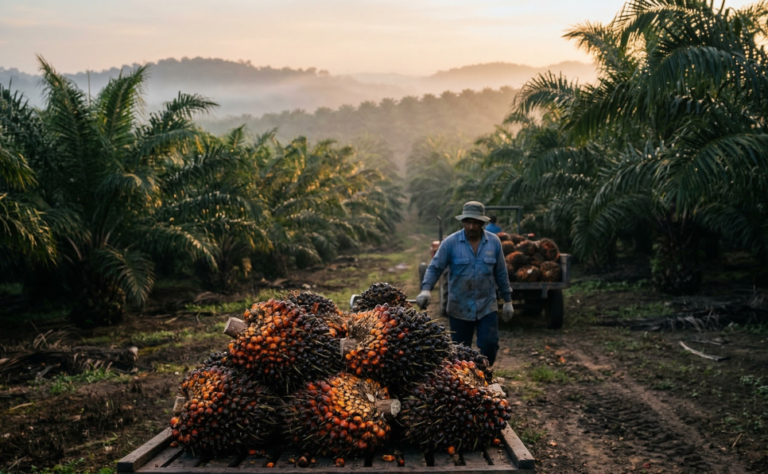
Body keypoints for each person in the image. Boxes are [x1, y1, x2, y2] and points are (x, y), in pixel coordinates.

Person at [416, 201, 513, 366]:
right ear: (463, 221)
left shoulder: (494, 242)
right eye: (468, 222)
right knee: (460, 351)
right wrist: (426, 289)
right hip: (459, 306)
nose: (471, 226)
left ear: (482, 223)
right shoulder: (451, 243)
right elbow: (434, 268)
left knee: (490, 345)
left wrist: (508, 300)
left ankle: (484, 376)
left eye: (475, 222)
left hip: (486, 305)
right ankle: (466, 382)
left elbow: (501, 273)